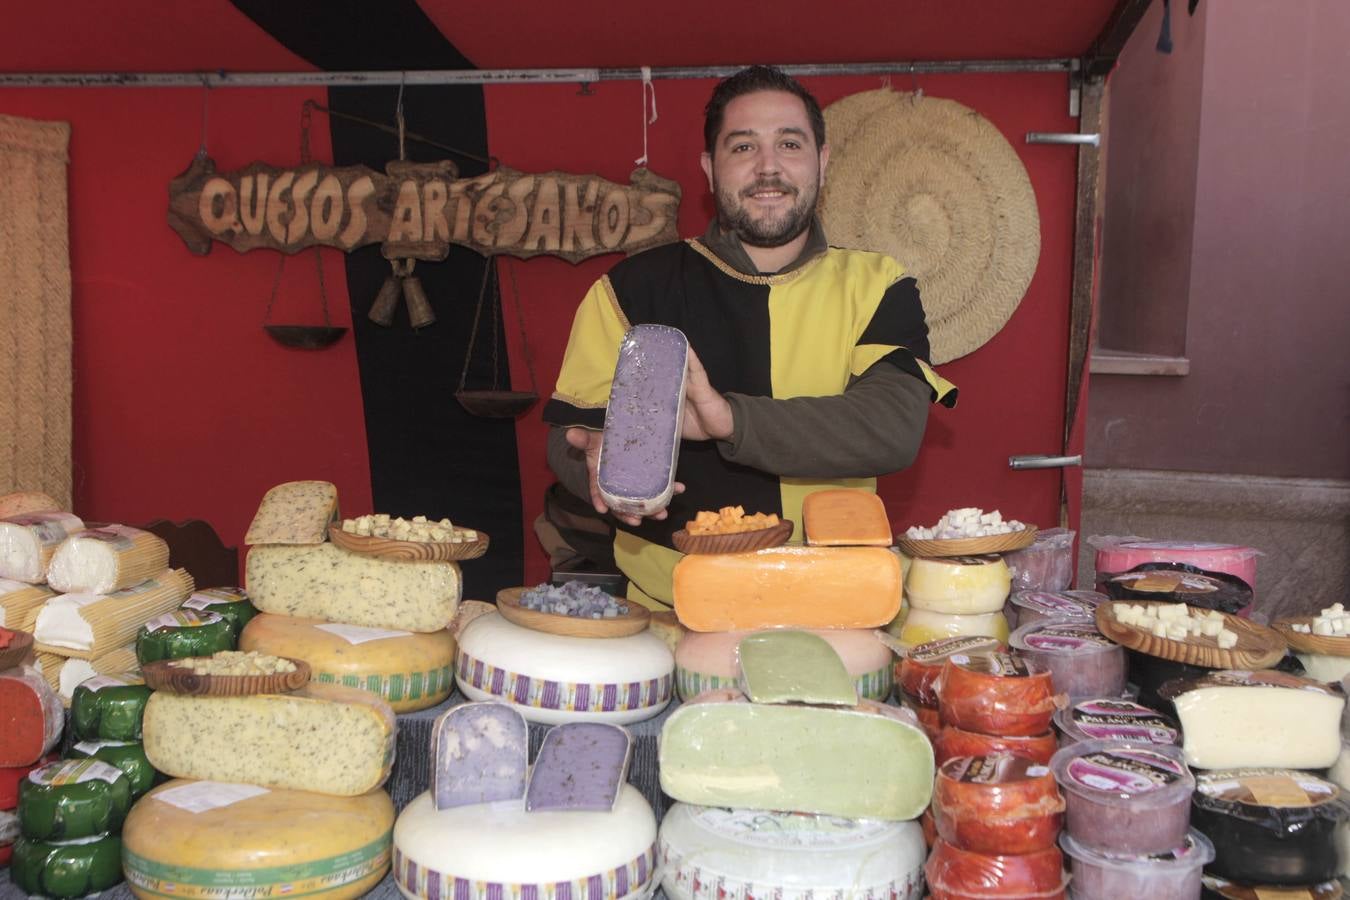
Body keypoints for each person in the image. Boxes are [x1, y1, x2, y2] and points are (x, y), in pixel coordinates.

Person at [542, 65, 957, 607]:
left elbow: (892, 428)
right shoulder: (632, 287)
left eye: (789, 143)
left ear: (822, 162)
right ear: (710, 169)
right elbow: (571, 435)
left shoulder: (879, 285)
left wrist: (726, 419)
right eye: (742, 148)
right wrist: (597, 469)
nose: (768, 167)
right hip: (669, 607)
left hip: (833, 602)